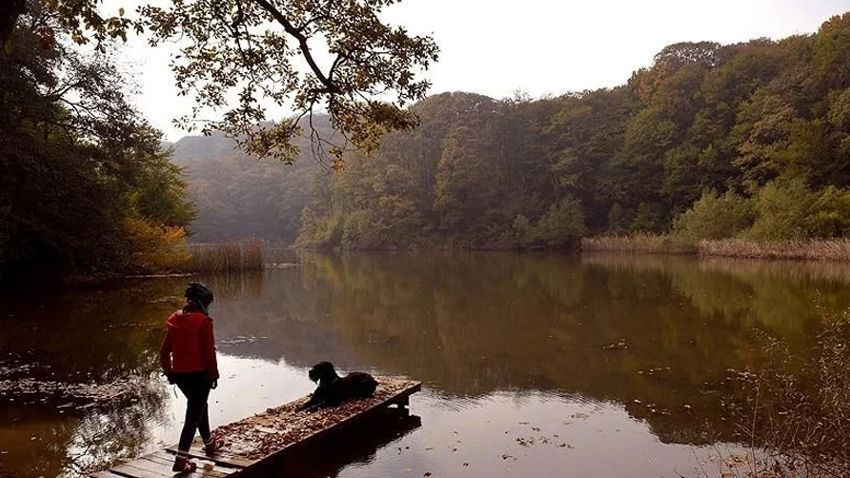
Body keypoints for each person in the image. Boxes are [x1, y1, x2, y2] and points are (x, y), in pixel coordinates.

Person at [159, 282, 222, 473]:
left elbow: (164, 352)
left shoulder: (175, 320)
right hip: (200, 375)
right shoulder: (203, 322)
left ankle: (209, 444)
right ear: (203, 303)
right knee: (193, 415)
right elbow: (209, 353)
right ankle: (180, 460)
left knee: (199, 406)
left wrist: (170, 373)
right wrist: (214, 375)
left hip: (181, 376)